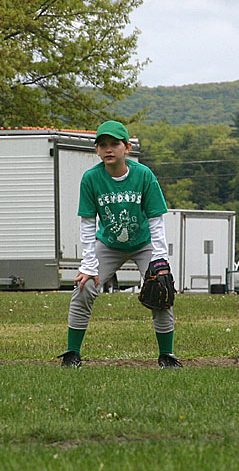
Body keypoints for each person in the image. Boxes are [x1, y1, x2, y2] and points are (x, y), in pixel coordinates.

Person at [58, 120, 181, 369]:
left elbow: (156, 219)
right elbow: (87, 223)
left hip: (144, 243)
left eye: (115, 144)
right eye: (102, 145)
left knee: (161, 292)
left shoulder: (143, 175)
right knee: (84, 288)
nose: (109, 149)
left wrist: (159, 258)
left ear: (127, 147)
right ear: (97, 150)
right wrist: (89, 263)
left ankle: (167, 356)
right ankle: (72, 354)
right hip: (109, 244)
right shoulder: (92, 178)